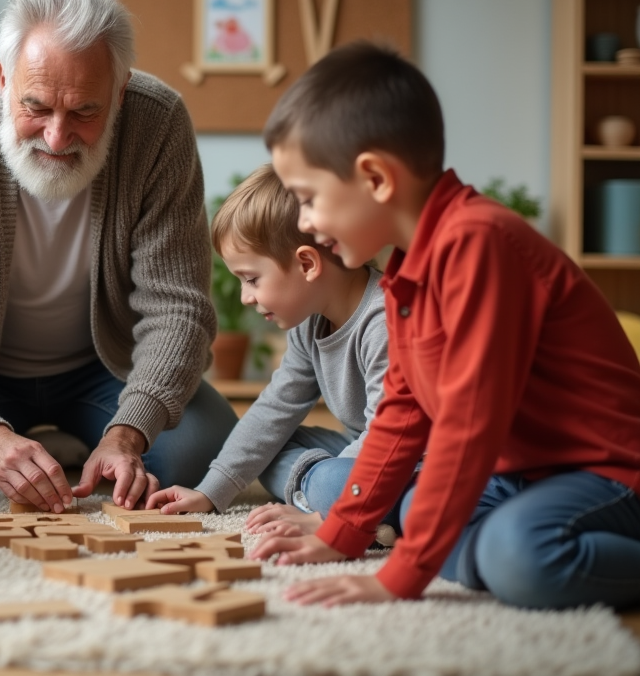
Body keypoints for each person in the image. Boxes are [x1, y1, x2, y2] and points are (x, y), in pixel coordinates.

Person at [249, 41, 640, 610]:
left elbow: (467, 423)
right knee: (417, 514)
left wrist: (397, 577)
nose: (305, 222)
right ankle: (503, 557)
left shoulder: (481, 244)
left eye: (307, 199)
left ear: (375, 177)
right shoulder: (407, 273)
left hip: (608, 474)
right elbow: (404, 411)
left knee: (513, 553)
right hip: (521, 476)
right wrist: (343, 533)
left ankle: (512, 558)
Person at [0, 0, 237, 514]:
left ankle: (86, 442)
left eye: (84, 112)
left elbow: (177, 308)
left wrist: (128, 432)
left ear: (119, 92)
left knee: (195, 452)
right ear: (4, 78)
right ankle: (44, 446)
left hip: (108, 370)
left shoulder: (159, 123)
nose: (56, 136)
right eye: (36, 106)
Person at [146, 165, 398, 545]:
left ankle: (340, 508)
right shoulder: (310, 323)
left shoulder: (384, 321)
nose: (246, 297)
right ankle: (350, 507)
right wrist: (211, 491)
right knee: (271, 447)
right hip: (358, 455)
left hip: (411, 460)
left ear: (307, 264)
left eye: (251, 279)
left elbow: (388, 437)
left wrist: (329, 506)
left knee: (332, 479)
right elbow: (274, 410)